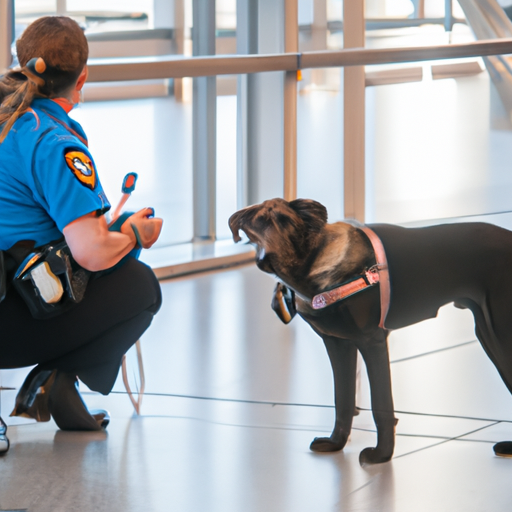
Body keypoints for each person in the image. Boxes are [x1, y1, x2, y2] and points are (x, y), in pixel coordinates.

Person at [0, 16, 163, 452]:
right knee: (139, 286)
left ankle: (59, 392)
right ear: (82, 77)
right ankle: (55, 380)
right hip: (9, 323)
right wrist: (133, 235)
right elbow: (90, 251)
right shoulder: (52, 142)